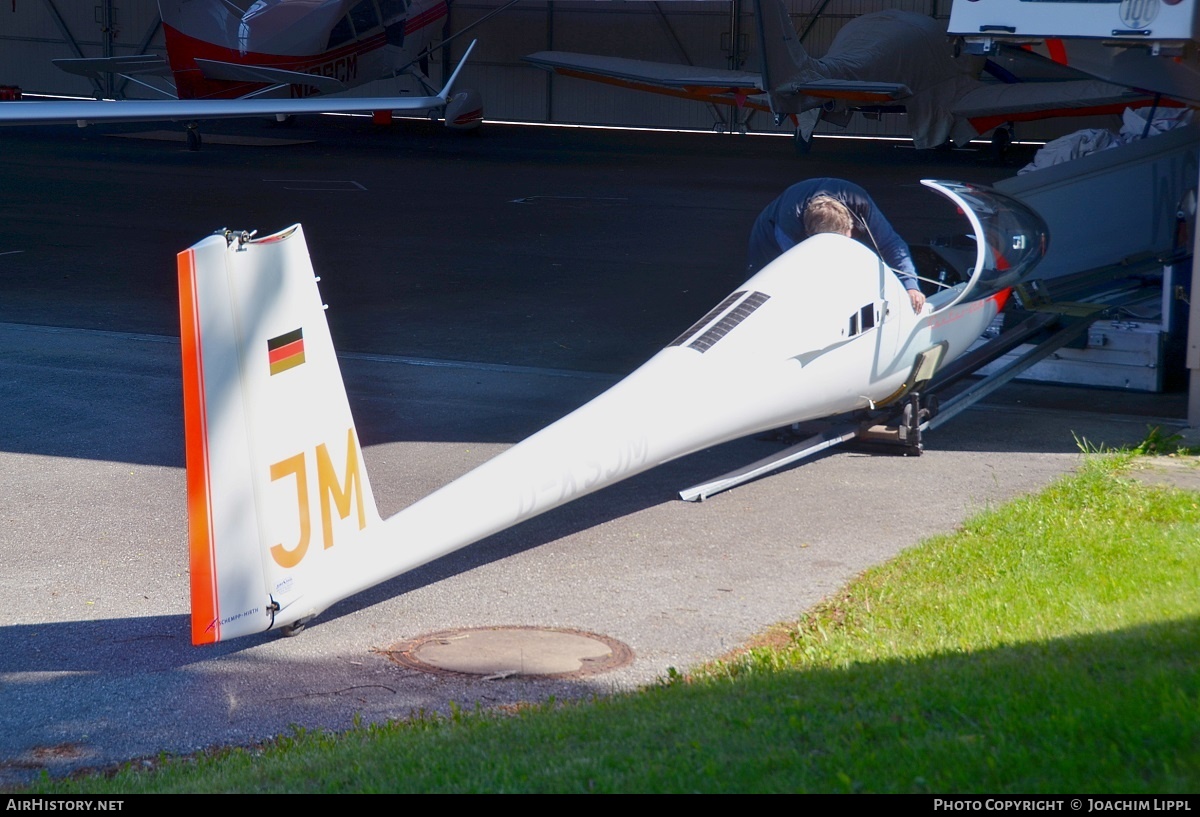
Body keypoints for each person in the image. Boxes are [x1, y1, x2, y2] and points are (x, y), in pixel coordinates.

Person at [746, 178, 926, 313]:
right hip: (769, 234)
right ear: (809, 235)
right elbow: (802, 275)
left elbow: (891, 244)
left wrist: (910, 285)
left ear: (850, 225)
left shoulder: (860, 202)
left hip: (827, 204)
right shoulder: (789, 228)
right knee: (778, 293)